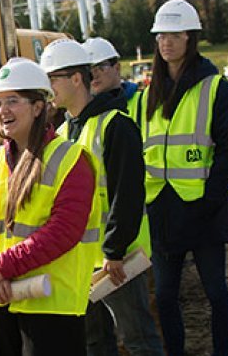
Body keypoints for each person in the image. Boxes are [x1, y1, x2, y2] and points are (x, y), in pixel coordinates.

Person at [0, 57, 99, 356]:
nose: (2, 111)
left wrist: (2, 267)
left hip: (52, 303)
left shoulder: (71, 159)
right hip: (2, 298)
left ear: (39, 107)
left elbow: (64, 229)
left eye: (13, 100)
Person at [41, 38, 162, 356]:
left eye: (52, 79)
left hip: (117, 258)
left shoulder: (116, 125)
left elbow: (128, 194)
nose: (47, 87)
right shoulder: (64, 133)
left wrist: (114, 251)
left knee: (139, 340)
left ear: (76, 79)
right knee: (95, 342)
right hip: (81, 261)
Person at [133, 0, 228, 356]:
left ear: (190, 38)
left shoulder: (214, 87)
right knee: (164, 295)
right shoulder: (148, 94)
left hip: (203, 209)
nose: (166, 42)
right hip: (163, 209)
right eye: (161, 35)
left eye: (174, 35)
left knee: (215, 291)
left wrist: (210, 199)